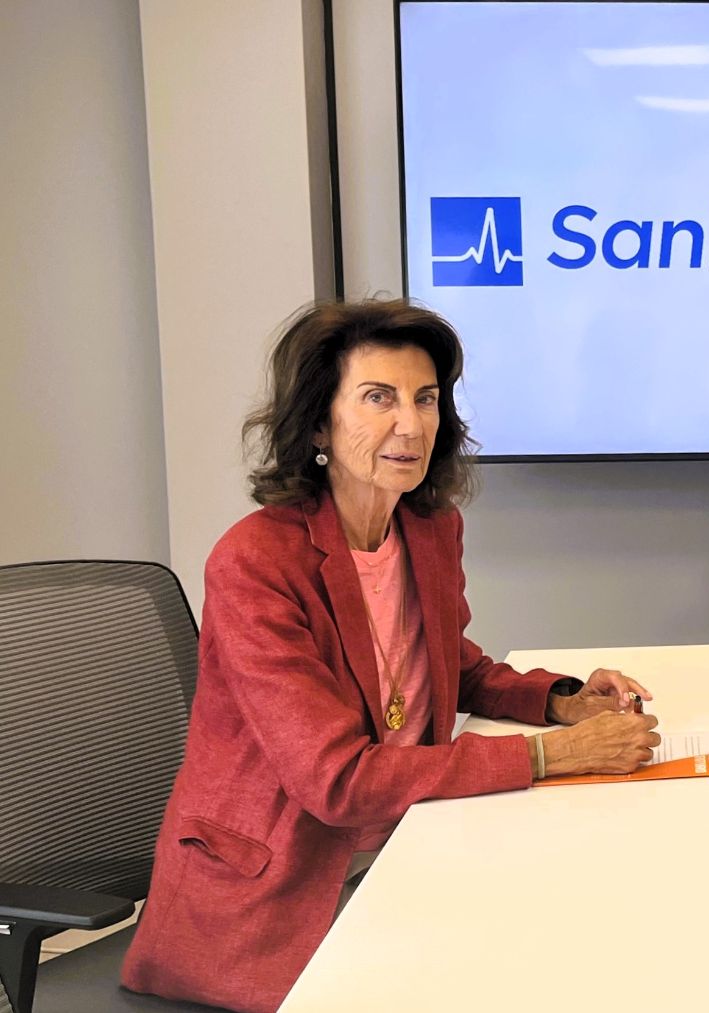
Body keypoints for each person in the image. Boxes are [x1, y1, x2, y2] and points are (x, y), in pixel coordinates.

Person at [120, 301, 663, 1012]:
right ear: (319, 421)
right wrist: (554, 757)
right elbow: (337, 780)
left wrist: (561, 699)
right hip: (280, 894)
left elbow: (447, 664)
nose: (411, 424)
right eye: (379, 398)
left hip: (410, 841)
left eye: (426, 398)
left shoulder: (429, 526)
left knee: (587, 932)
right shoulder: (254, 562)